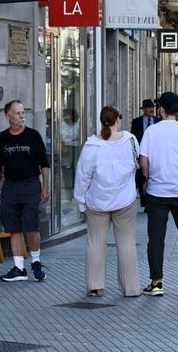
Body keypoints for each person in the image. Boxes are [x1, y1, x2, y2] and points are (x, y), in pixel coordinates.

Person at [139, 92, 178, 298]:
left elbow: (144, 164)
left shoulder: (151, 132)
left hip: (157, 192)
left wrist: (149, 181)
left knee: (156, 238)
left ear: (161, 109)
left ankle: (156, 283)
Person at [74, 106, 141, 298]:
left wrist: (80, 201)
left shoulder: (92, 145)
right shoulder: (130, 140)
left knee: (95, 244)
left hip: (97, 201)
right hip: (125, 200)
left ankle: (95, 286)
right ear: (118, 120)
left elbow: (83, 176)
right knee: (127, 243)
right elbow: (137, 165)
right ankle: (131, 288)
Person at [0, 100, 51, 283]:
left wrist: (45, 187)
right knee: (13, 227)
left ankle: (36, 262)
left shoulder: (33, 136)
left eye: (23, 112)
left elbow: (44, 164)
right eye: (18, 113)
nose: (22, 116)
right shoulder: (2, 138)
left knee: (32, 226)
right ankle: (19, 268)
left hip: (31, 184)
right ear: (8, 116)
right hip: (10, 185)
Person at [60, 108, 80, 195]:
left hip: (77, 148)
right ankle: (69, 194)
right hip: (66, 148)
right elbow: (60, 137)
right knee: (67, 170)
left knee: (77, 169)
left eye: (68, 115)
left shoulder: (78, 124)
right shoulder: (62, 125)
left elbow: (80, 136)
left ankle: (77, 191)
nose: (66, 117)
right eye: (65, 115)